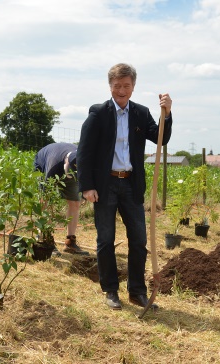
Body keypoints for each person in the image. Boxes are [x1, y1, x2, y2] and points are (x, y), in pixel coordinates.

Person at [77, 63, 173, 310]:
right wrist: (87, 186)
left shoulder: (141, 113)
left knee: (139, 240)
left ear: (133, 87)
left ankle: (137, 292)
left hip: (131, 184)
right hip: (105, 184)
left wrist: (167, 113)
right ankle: (111, 290)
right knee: (106, 240)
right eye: (117, 85)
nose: (121, 90)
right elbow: (84, 152)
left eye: (126, 86)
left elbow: (161, 137)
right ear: (110, 86)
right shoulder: (98, 114)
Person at [34, 142, 89, 256]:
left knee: (75, 203)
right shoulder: (53, 165)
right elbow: (45, 195)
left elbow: (86, 178)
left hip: (67, 166)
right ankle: (45, 238)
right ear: (66, 162)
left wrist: (84, 194)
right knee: (46, 202)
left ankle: (70, 243)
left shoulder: (83, 159)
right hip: (44, 162)